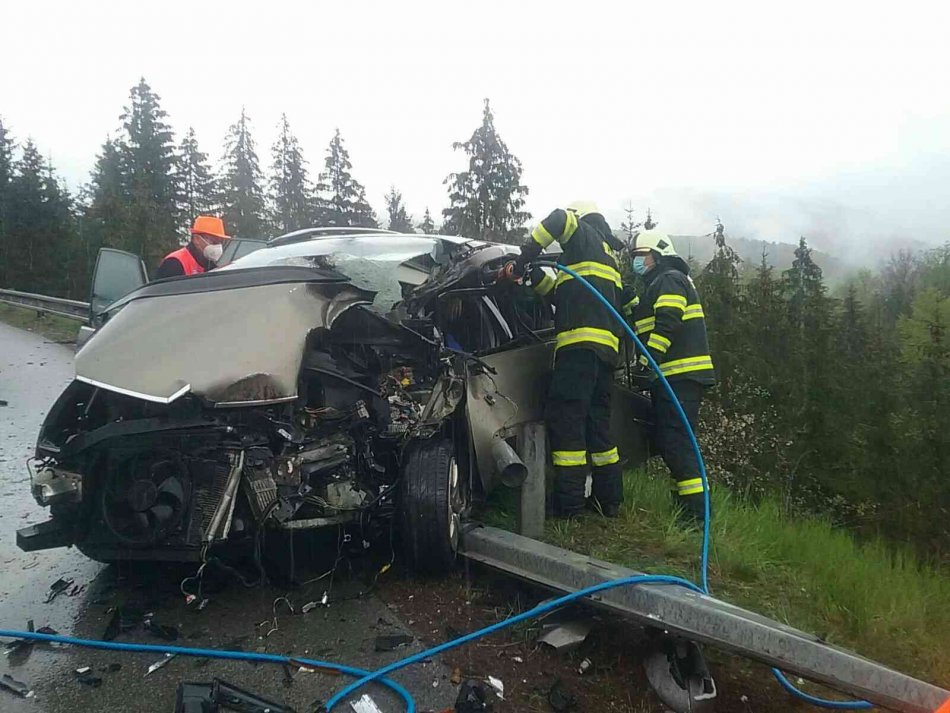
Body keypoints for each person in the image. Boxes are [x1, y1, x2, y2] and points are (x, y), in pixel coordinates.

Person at [501, 201, 627, 518]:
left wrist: (522, 261)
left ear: (581, 219)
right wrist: (533, 277)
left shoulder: (582, 235)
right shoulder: (607, 258)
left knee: (567, 422)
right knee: (598, 427)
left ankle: (569, 506)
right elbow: (565, 296)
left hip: (579, 350)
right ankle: (608, 500)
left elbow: (558, 219)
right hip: (606, 355)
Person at [623, 229, 716, 523]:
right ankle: (686, 508)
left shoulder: (670, 279)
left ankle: (697, 516)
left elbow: (667, 323)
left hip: (680, 376)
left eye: (642, 255)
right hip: (674, 378)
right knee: (671, 441)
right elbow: (648, 320)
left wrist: (648, 361)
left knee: (676, 442)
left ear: (658, 255)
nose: (637, 261)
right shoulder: (660, 284)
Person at [156, 216, 231, 279]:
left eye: (220, 242)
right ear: (197, 239)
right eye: (213, 241)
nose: (217, 246)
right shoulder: (174, 263)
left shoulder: (210, 265)